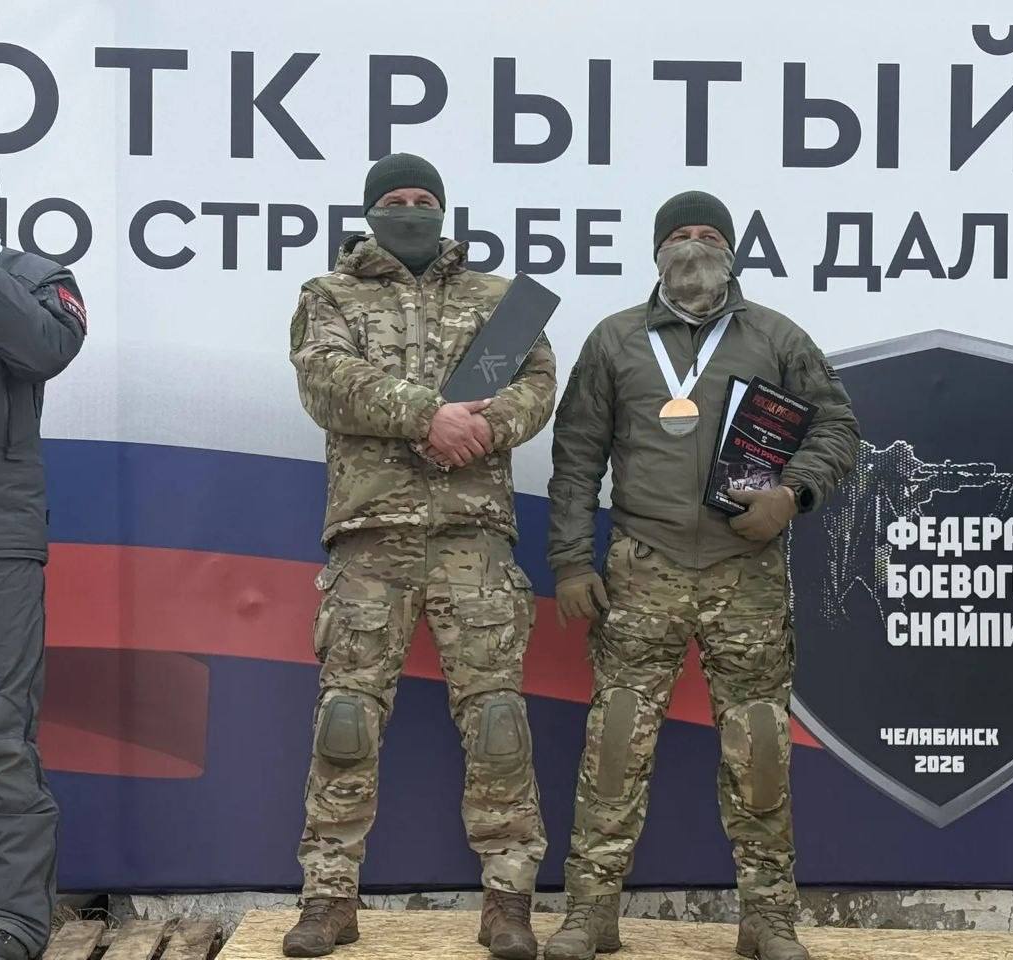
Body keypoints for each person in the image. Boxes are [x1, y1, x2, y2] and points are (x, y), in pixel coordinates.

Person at [544, 190, 860, 960]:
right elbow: (576, 457)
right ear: (657, 252)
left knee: (760, 748)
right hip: (640, 569)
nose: (694, 245)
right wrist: (571, 560)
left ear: (731, 251)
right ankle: (591, 913)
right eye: (679, 234)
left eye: (709, 234)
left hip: (745, 573)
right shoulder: (615, 340)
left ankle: (768, 919)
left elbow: (838, 429)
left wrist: (791, 495)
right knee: (615, 743)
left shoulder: (776, 337)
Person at [283, 154, 555, 960]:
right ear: (372, 212)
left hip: (475, 537)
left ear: (444, 209)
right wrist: (426, 416)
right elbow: (325, 380)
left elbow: (536, 382)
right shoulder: (329, 295)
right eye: (396, 199)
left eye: (424, 198)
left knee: (498, 723)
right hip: (371, 538)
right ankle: (329, 900)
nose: (411, 208)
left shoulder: (499, 300)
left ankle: (508, 903)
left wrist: (483, 428)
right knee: (346, 723)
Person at [0, 172, 88, 960]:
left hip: (1, 541)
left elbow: (44, 349)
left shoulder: (36, 279)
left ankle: (15, 917)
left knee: (0, 728)